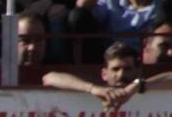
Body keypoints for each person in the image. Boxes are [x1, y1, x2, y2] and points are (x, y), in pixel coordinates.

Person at [42, 39, 172, 106]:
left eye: (127, 69)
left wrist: (140, 85)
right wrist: (92, 89)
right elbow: (49, 78)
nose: (121, 75)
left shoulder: (146, 87)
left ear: (138, 71)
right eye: (115, 69)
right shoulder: (98, 88)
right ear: (104, 74)